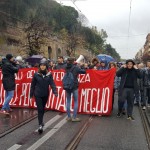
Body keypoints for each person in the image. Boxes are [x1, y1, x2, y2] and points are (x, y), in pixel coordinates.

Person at [30, 60, 58, 134]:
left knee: (43, 108)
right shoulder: (36, 74)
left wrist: (55, 92)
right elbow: (32, 85)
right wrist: (31, 95)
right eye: (41, 65)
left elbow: (52, 84)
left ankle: (41, 121)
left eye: (44, 65)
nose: (42, 66)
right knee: (40, 109)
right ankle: (40, 125)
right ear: (39, 66)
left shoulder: (49, 74)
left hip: (45, 94)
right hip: (38, 94)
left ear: (46, 66)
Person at [64, 57, 86, 122]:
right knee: (76, 101)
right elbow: (84, 72)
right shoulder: (76, 67)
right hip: (74, 86)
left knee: (68, 101)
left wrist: (75, 65)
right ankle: (74, 117)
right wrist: (81, 66)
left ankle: (68, 117)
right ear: (73, 61)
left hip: (67, 86)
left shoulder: (66, 67)